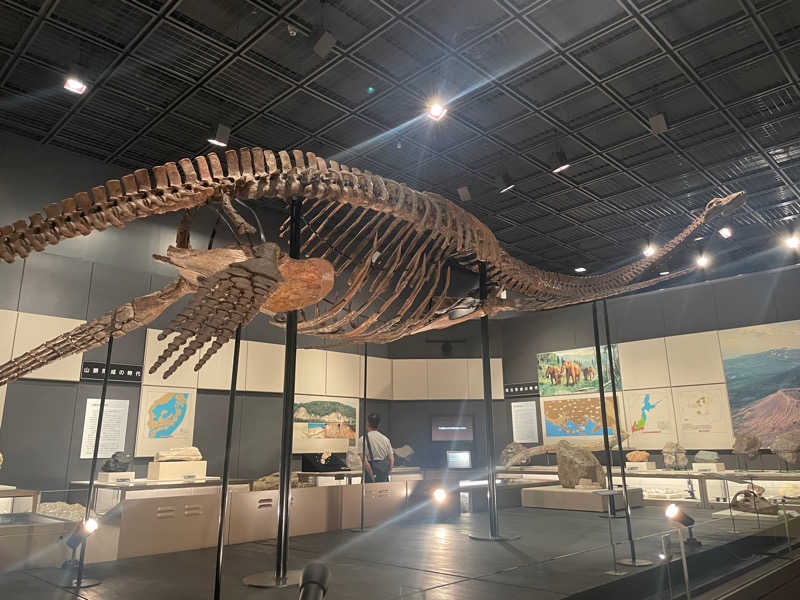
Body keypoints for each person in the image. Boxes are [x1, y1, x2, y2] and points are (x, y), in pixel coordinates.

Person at [357, 413, 393, 483]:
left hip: (369, 477)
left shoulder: (363, 439)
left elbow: (365, 462)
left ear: (367, 423)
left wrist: (373, 478)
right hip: (383, 477)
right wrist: (386, 474)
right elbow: (391, 459)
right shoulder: (386, 439)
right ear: (379, 424)